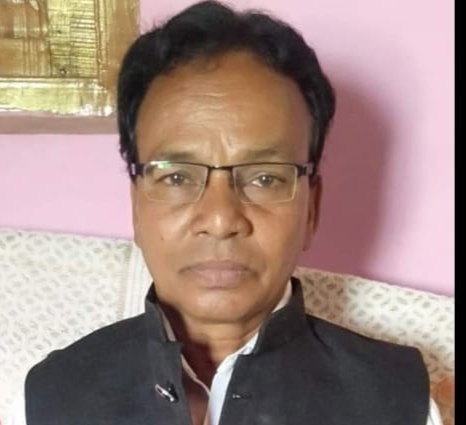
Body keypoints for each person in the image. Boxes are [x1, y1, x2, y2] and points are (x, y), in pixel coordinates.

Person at [7, 1, 444, 424]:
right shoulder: (55, 395)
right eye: (177, 177)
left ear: (311, 208)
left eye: (265, 178)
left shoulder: (396, 401)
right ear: (136, 205)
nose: (220, 219)